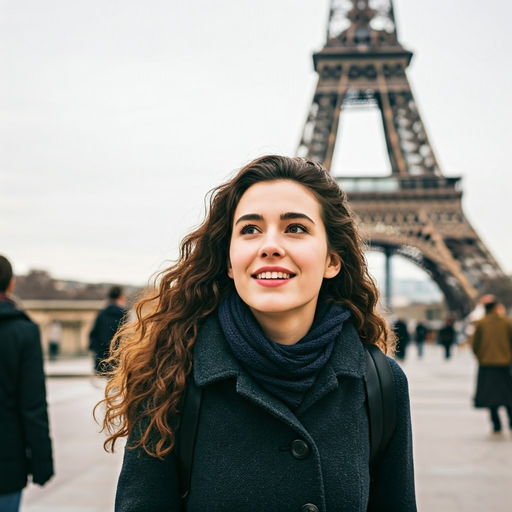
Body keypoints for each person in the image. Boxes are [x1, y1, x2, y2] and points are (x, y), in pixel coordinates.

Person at [100, 156, 416, 511]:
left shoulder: (382, 384)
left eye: (295, 228)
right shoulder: (170, 373)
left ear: (332, 260)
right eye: (250, 229)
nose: (270, 245)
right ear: (230, 262)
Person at [0, 255, 54, 512]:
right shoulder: (23, 331)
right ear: (10, 285)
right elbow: (32, 404)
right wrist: (42, 462)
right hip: (5, 459)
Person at [472, 300, 512, 437]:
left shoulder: (481, 323)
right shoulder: (507, 322)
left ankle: (496, 424)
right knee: (508, 395)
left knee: (490, 396)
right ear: (496, 308)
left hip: (486, 364)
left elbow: (475, 344)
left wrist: (481, 356)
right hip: (504, 364)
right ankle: (511, 422)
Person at [89, 286, 127, 375]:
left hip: (103, 353)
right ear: (120, 297)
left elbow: (94, 333)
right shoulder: (124, 314)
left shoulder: (102, 313)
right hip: (118, 353)